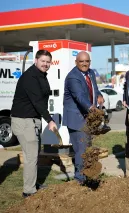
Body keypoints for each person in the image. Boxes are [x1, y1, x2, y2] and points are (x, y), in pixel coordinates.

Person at [11, 50, 57, 198]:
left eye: (48, 61)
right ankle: (28, 191)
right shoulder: (30, 77)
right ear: (36, 60)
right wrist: (49, 120)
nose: (45, 64)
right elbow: (37, 102)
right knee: (31, 157)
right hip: (24, 121)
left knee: (33, 155)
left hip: (32, 121)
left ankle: (32, 184)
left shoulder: (40, 75)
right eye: (43, 61)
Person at [63, 51, 104, 184]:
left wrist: (98, 95)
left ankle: (85, 176)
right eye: (81, 61)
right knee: (81, 150)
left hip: (87, 118)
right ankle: (79, 179)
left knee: (86, 148)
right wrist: (92, 108)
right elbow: (79, 96)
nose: (84, 64)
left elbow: (94, 88)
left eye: (87, 61)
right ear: (76, 62)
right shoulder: (73, 77)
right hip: (76, 118)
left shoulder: (90, 73)